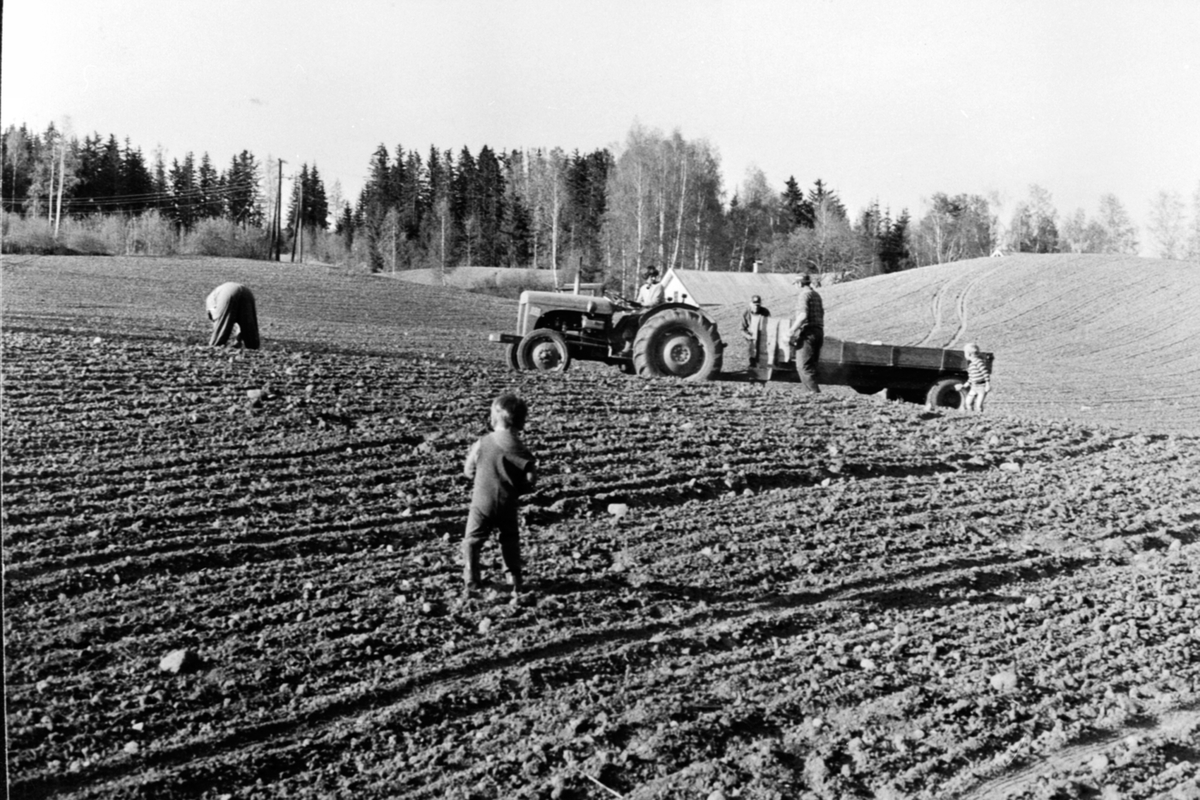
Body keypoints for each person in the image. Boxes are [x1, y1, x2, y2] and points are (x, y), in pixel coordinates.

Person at [461, 393, 538, 605]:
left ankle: (472, 580)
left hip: (482, 502)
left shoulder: (483, 442)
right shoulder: (519, 447)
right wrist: (522, 488)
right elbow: (531, 476)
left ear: (494, 419)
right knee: (509, 539)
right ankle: (514, 579)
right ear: (521, 422)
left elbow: (468, 469)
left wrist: (479, 474)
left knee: (472, 540)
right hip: (507, 502)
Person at [788, 273, 824, 393]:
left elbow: (803, 315)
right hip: (819, 332)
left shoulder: (804, 295)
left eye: (796, 284)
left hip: (808, 333)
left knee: (803, 366)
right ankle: (809, 395)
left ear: (799, 283)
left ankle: (815, 395)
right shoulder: (816, 294)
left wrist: (792, 330)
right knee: (810, 367)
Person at [206, 282, 260, 349]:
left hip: (227, 294)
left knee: (222, 324)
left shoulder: (210, 301)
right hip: (247, 293)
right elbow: (243, 322)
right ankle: (253, 347)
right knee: (249, 324)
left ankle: (215, 346)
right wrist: (238, 340)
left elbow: (219, 320)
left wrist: (215, 338)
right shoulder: (215, 296)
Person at [740, 295, 771, 367]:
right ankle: (752, 365)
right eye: (754, 305)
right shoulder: (745, 313)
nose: (756, 307)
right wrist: (747, 336)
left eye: (758, 305)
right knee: (752, 353)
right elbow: (742, 329)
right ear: (750, 304)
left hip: (763, 336)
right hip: (751, 337)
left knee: (763, 354)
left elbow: (770, 325)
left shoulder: (765, 312)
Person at [961, 343, 992, 413]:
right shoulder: (971, 365)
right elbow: (971, 378)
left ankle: (979, 416)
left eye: (965, 353)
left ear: (969, 354)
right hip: (974, 387)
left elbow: (985, 373)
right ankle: (971, 414)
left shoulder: (979, 362)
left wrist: (987, 384)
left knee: (979, 405)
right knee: (968, 402)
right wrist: (965, 385)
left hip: (982, 387)